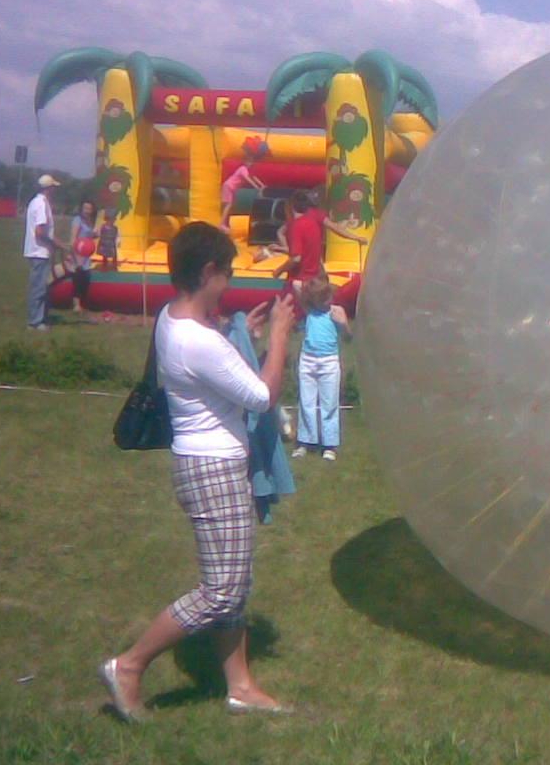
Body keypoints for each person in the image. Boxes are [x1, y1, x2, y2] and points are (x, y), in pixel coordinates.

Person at [98, 222, 296, 721]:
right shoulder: (197, 340)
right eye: (226, 273)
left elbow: (213, 364)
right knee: (222, 590)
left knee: (233, 583)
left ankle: (241, 686)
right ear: (208, 271)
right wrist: (277, 337)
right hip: (213, 469)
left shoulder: (174, 318)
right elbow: (261, 396)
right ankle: (130, 664)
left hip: (201, 463)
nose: (228, 282)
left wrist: (240, 335)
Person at [291, 275, 351, 462]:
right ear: (315, 300)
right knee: (306, 401)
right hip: (308, 360)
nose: (328, 300)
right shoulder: (309, 310)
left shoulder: (336, 311)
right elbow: (296, 284)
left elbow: (348, 338)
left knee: (329, 403)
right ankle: (305, 441)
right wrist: (311, 289)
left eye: (329, 296)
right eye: (324, 297)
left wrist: (343, 324)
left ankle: (329, 444)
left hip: (328, 361)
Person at [23, 174, 68, 331]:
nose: (54, 190)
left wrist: (57, 244)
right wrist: (56, 244)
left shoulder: (34, 202)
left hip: (36, 250)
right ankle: (35, 321)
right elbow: (40, 232)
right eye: (53, 187)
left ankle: (38, 318)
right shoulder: (42, 204)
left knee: (39, 286)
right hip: (40, 251)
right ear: (49, 188)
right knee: (39, 287)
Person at [219, 141, 268, 232]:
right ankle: (221, 224)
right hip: (229, 186)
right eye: (249, 162)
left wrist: (262, 185)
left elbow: (254, 177)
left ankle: (225, 224)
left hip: (230, 188)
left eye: (252, 162)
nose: (251, 164)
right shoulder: (243, 169)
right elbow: (248, 179)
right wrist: (257, 188)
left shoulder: (247, 170)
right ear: (246, 162)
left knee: (230, 205)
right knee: (228, 205)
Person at [70, 200, 98, 313]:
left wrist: (95, 234)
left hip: (87, 255)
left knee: (86, 279)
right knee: (78, 278)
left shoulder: (89, 222)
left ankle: (83, 303)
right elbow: (73, 238)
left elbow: (89, 236)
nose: (87, 211)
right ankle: (76, 304)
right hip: (78, 254)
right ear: (81, 209)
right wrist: (74, 256)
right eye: (85, 208)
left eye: (89, 209)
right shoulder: (77, 220)